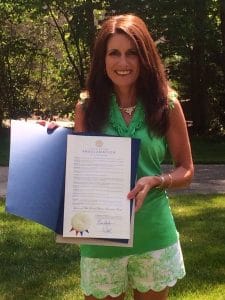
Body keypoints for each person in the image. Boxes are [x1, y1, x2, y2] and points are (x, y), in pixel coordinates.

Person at [74, 14, 194, 300]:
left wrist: (157, 180)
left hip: (153, 234)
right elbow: (78, 173)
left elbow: (186, 169)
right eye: (114, 53)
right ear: (102, 60)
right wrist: (50, 144)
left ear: (145, 58)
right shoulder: (86, 109)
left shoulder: (167, 104)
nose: (123, 63)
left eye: (132, 54)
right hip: (101, 237)